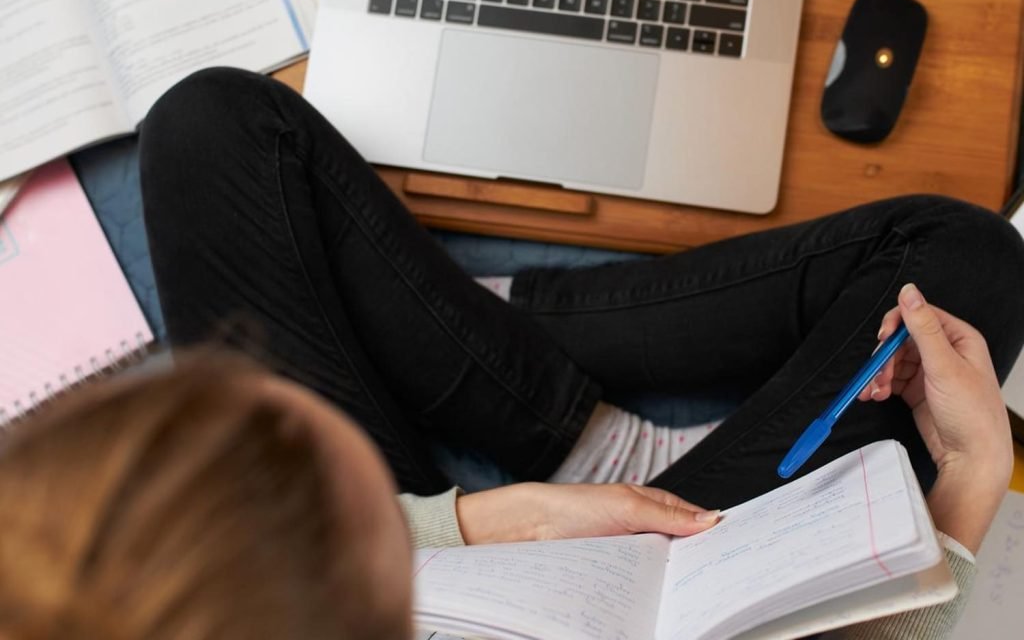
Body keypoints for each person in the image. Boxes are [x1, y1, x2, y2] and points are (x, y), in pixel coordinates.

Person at [84, 64, 1020, 636]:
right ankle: (536, 398)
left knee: (212, 123)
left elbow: (232, 555)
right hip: (666, 592)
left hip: (359, 573)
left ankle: (533, 403)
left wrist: (488, 524)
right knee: (961, 260)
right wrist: (969, 478)